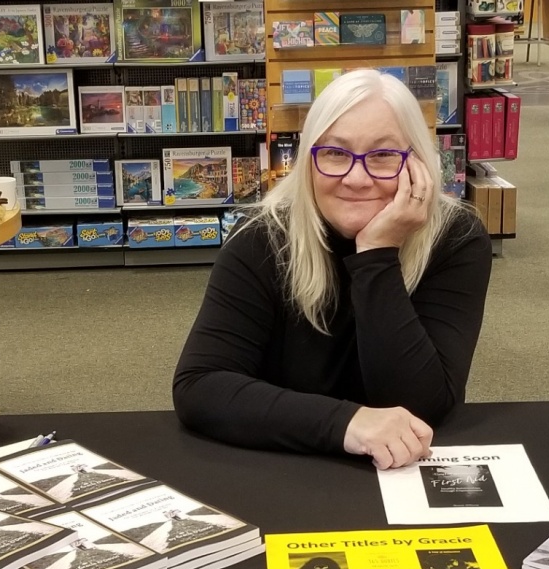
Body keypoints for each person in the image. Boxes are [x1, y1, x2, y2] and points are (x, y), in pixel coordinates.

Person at [172, 70, 492, 469]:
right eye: (336, 154)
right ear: (308, 160)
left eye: (382, 156)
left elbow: (421, 407)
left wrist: (377, 253)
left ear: (418, 164)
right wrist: (348, 423)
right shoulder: (262, 238)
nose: (356, 178)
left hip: (404, 474)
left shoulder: (455, 238)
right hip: (286, 463)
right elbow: (200, 386)